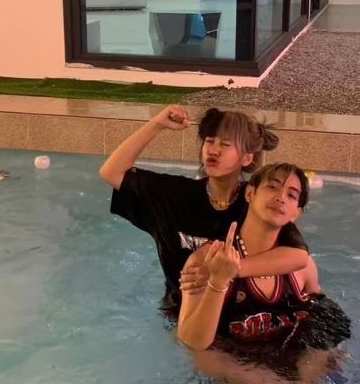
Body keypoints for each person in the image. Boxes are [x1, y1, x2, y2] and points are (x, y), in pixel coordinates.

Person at [177, 163, 351, 384]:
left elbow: (323, 327)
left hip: (294, 368)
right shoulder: (207, 260)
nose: (281, 197)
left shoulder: (303, 268)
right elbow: (197, 348)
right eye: (272, 187)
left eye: (291, 195)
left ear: (296, 213)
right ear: (250, 193)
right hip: (237, 379)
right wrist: (218, 281)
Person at [99, 105, 310, 309]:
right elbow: (111, 172)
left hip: (240, 313)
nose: (214, 150)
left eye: (225, 144)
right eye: (209, 141)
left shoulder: (255, 200)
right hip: (181, 310)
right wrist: (156, 124)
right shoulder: (174, 195)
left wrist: (224, 271)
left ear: (247, 158)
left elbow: (299, 256)